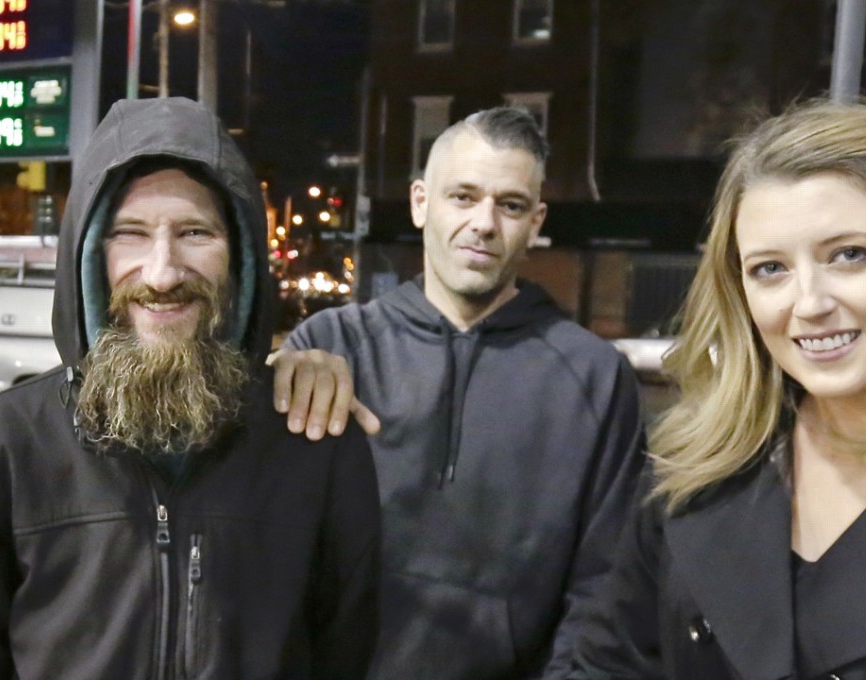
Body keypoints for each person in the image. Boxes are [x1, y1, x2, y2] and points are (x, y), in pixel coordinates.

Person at [569, 100, 866, 679]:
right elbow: (608, 664)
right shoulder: (693, 469)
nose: (809, 304)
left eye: (849, 255)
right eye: (770, 269)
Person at [0, 97, 381, 678]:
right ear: (90, 254)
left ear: (240, 258)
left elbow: (345, 654)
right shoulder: (9, 440)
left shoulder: (315, 441)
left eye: (195, 232)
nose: (163, 273)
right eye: (130, 234)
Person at [274, 106, 645, 679]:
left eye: (510, 205)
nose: (484, 223)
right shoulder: (328, 349)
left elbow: (605, 588)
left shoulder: (595, 377)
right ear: (421, 202)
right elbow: (269, 553)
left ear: (536, 223)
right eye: (463, 197)